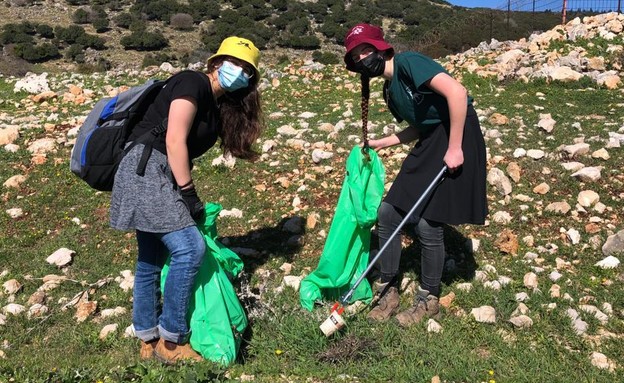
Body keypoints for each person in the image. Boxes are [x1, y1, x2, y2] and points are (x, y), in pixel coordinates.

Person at [109, 36, 263, 363]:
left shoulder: (215, 103)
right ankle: (172, 341)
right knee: (190, 248)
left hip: (151, 171)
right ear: (216, 63)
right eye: (234, 63)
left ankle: (147, 339)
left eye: (247, 70)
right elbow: (174, 138)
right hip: (146, 168)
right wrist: (189, 193)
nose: (239, 72)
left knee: (151, 255)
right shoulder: (192, 82)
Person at [343, 24, 487, 326]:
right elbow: (419, 127)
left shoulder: (409, 63)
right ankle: (388, 287)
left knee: (426, 221)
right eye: (356, 56)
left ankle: (428, 298)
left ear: (381, 47)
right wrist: (385, 141)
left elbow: (458, 93)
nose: (362, 59)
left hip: (458, 133)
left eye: (366, 49)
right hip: (431, 139)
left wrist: (456, 146)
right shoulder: (388, 91)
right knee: (388, 212)